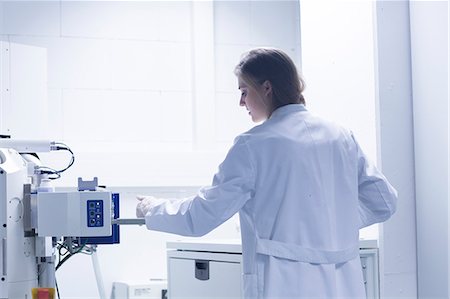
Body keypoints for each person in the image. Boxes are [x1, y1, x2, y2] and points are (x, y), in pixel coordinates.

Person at [136, 48, 397, 298]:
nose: (241, 102)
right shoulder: (341, 136)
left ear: (267, 88)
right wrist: (328, 223)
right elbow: (385, 202)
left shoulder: (254, 144)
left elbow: (201, 216)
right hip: (344, 284)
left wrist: (152, 209)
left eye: (244, 91)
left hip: (283, 282)